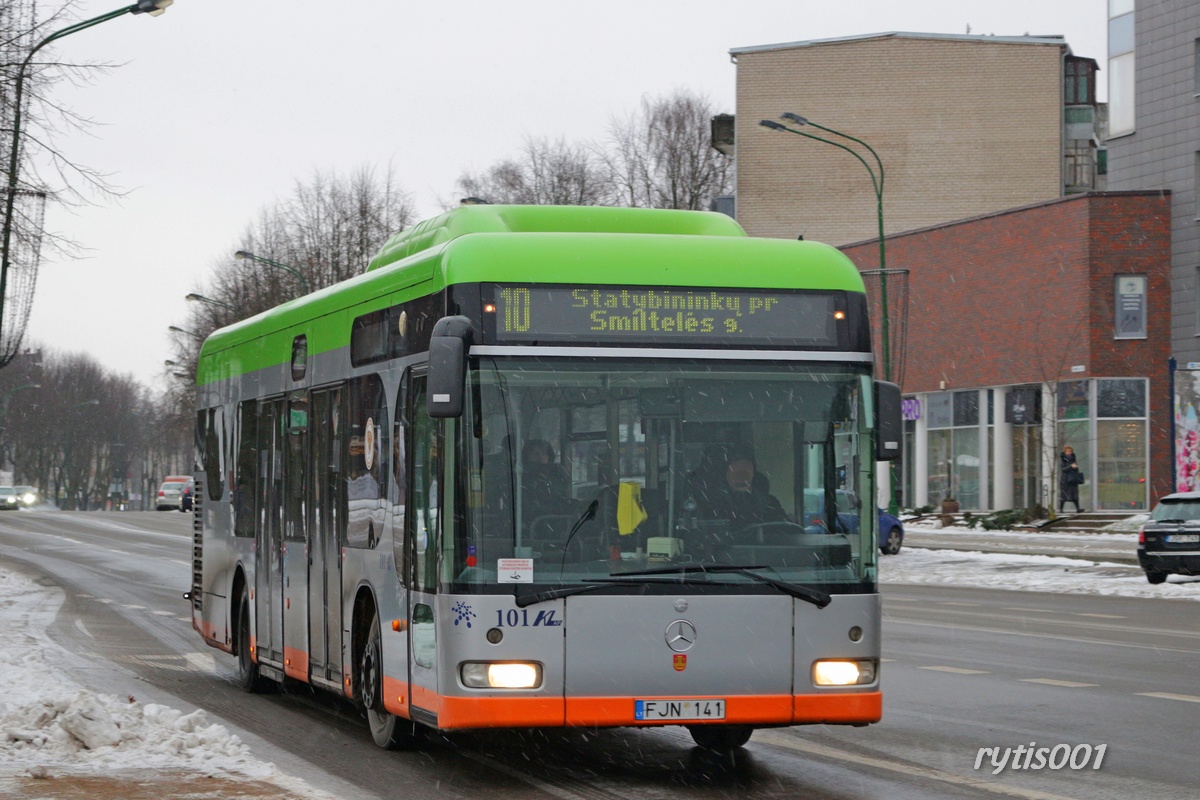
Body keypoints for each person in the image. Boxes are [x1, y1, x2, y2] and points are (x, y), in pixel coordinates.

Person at [706, 447, 787, 526]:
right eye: (736, 474)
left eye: (745, 473)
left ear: (753, 474)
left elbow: (788, 530)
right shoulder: (715, 504)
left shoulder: (769, 503)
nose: (741, 478)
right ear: (726, 475)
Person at [1059, 445, 1084, 513]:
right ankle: (1061, 509)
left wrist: (1075, 467)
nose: (1069, 452)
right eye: (1068, 451)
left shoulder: (1073, 459)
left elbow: (1076, 468)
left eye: (1070, 451)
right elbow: (1063, 469)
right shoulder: (1063, 459)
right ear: (1065, 451)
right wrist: (1071, 467)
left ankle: (1078, 508)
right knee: (1064, 495)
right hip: (1066, 480)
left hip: (1073, 479)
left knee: (1075, 495)